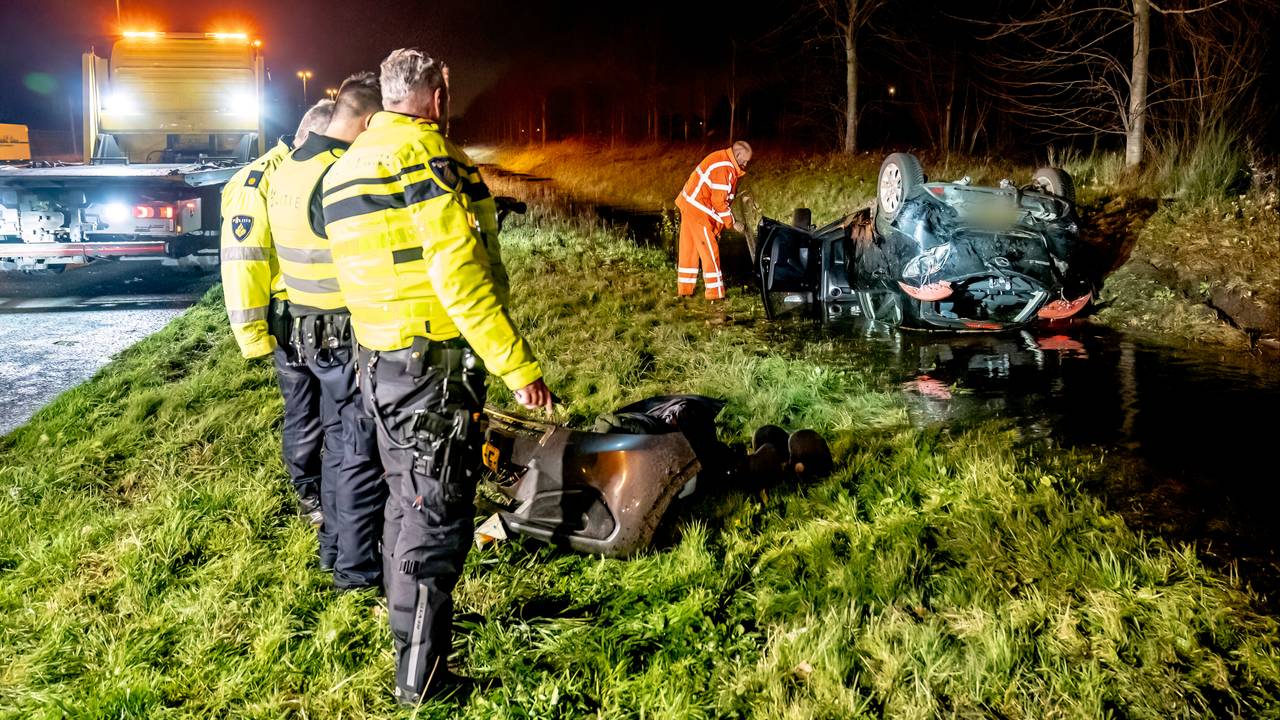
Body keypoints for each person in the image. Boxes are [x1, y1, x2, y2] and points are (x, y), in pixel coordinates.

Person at [322, 47, 553, 704]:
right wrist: (519, 369)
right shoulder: (425, 157)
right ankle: (421, 683)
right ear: (437, 96)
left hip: (379, 362)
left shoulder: (349, 166)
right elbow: (459, 279)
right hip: (432, 370)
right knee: (436, 520)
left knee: (406, 506)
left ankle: (407, 637)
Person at [264, 73, 386, 591]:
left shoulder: (292, 166)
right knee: (358, 451)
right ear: (365, 121)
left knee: (338, 445)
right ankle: (356, 572)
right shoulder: (337, 172)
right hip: (343, 328)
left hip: (309, 325)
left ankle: (334, 551)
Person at [221, 100, 338, 571]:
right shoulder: (258, 180)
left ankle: (331, 488)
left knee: (329, 408)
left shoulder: (305, 170)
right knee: (304, 410)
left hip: (324, 313)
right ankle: (308, 493)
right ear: (310, 134)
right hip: (289, 317)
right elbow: (244, 260)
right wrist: (252, 333)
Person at [675, 141, 752, 301]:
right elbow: (719, 202)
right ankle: (715, 295)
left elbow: (720, 193)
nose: (745, 164)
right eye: (744, 160)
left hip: (689, 205)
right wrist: (732, 222)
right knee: (710, 251)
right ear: (737, 155)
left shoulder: (721, 159)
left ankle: (685, 290)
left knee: (689, 250)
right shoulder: (725, 167)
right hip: (699, 211)